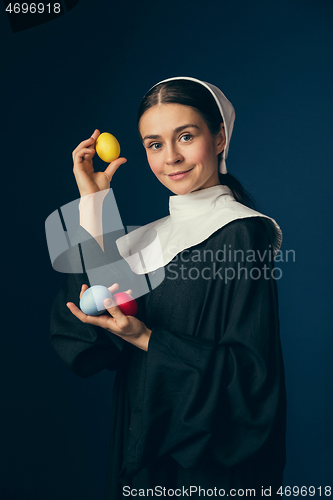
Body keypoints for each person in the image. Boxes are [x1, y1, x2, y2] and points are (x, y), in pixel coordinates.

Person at [50, 77, 287, 499]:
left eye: (186, 136)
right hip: (141, 448)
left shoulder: (239, 233)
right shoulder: (144, 239)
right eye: (154, 144)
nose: (171, 157)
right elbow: (87, 340)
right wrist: (94, 205)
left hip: (203, 461)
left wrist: (146, 339)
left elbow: (251, 377)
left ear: (219, 138)